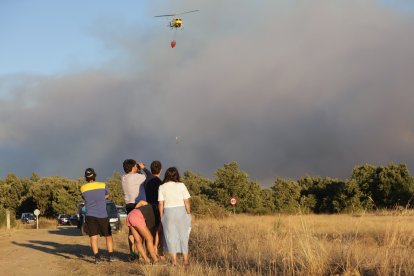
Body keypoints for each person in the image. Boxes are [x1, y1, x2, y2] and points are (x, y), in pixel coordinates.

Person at [80, 168, 116, 263]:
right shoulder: (102, 185)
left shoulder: (83, 188)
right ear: (94, 176)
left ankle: (97, 257)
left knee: (93, 236)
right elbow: (108, 195)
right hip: (102, 214)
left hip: (90, 215)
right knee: (108, 236)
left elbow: (84, 197)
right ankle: (111, 256)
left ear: (86, 178)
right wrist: (102, 198)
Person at [158, 167, 191, 266]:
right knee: (183, 236)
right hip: (181, 211)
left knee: (170, 237)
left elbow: (160, 204)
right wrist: (188, 213)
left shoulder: (162, 187)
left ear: (166, 175)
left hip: (168, 212)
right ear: (176, 175)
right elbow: (186, 201)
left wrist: (161, 217)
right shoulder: (181, 185)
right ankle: (185, 261)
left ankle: (174, 261)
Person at [121, 159, 147, 260]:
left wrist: (137, 168)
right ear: (133, 167)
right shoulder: (137, 177)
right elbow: (147, 177)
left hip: (128, 205)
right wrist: (141, 168)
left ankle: (132, 253)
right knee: (141, 229)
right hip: (138, 205)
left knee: (131, 230)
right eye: (135, 166)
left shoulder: (123, 178)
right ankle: (141, 253)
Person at [142, 161, 164, 257]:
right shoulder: (159, 182)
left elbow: (149, 174)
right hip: (157, 207)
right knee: (159, 231)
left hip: (148, 207)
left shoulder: (147, 180)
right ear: (161, 169)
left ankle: (150, 253)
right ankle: (159, 253)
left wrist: (143, 169)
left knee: (149, 232)